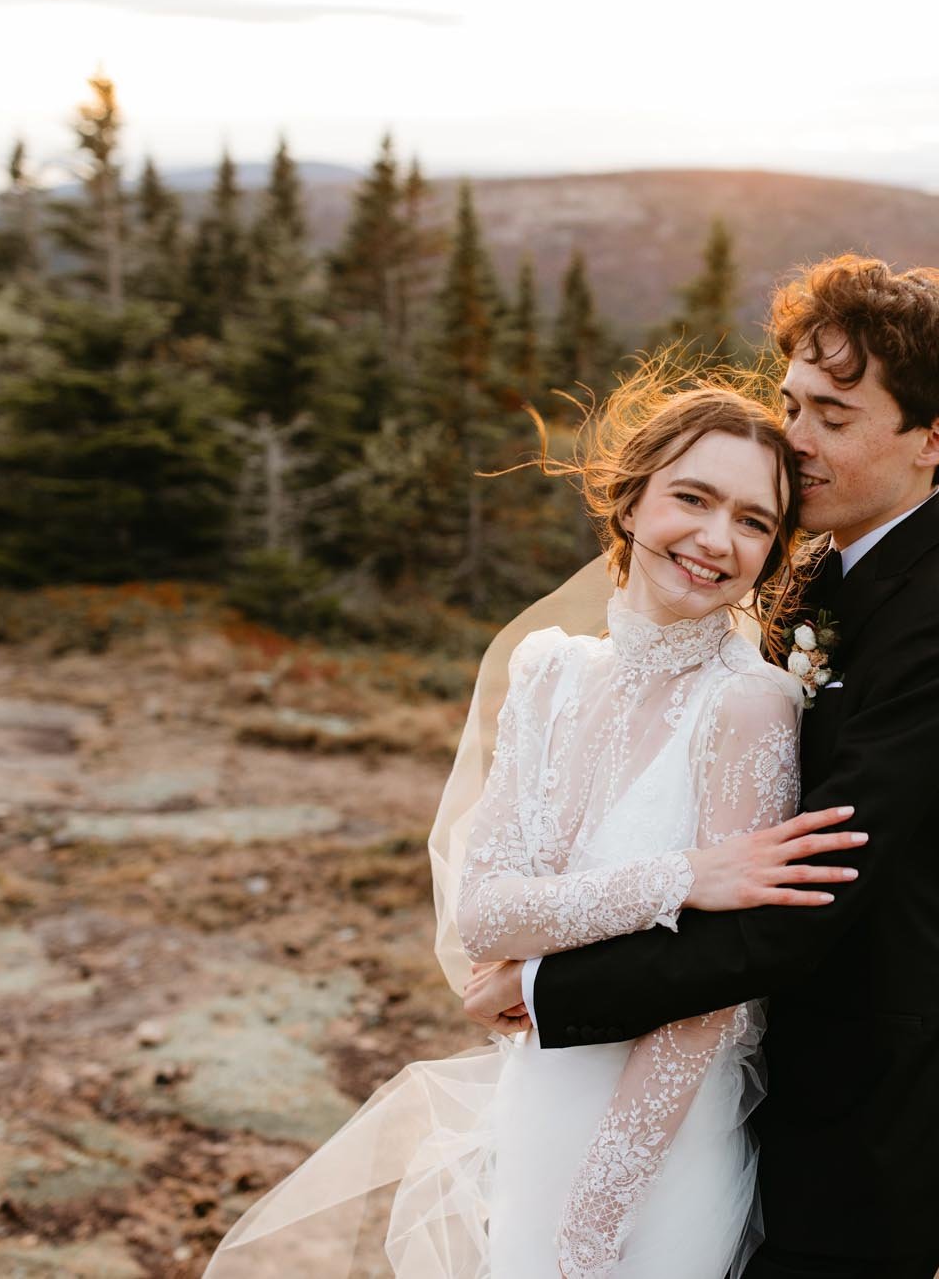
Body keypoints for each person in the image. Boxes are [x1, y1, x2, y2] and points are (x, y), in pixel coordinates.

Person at [203, 368, 865, 1279]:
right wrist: (685, 877)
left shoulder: (750, 707)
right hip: (542, 1093)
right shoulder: (549, 673)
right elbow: (486, 913)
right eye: (693, 498)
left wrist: (599, 1214)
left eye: (754, 521)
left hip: (657, 1145)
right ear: (631, 500)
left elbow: (713, 1003)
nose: (717, 539)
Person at [467, 255, 939, 1278]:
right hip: (733, 1069)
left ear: (933, 440)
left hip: (861, 1095)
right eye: (789, 402)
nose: (793, 437)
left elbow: (803, 898)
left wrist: (553, 988)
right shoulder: (814, 564)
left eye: (831, 413)